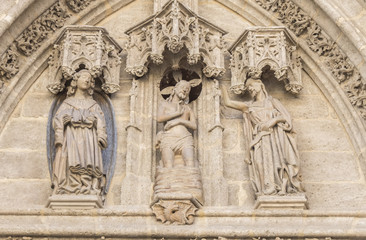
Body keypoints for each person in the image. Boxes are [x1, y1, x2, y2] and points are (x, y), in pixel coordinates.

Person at [221, 78, 304, 196]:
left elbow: (286, 119)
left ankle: (282, 186)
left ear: (260, 84)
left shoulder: (273, 102)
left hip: (276, 138)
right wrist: (221, 87)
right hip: (260, 139)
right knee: (259, 162)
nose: (250, 89)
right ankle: (267, 188)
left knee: (279, 162)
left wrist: (273, 121)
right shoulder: (249, 106)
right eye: (248, 88)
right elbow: (228, 102)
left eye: (251, 85)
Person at [52, 69, 107, 195]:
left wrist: (95, 121)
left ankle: (87, 186)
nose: (86, 80)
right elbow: (57, 120)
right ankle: (69, 186)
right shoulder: (67, 103)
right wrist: (66, 119)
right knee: (70, 159)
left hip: (89, 139)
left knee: (87, 160)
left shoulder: (93, 104)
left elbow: (101, 121)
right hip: (71, 138)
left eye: (89, 78)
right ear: (75, 81)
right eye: (83, 77)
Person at [156, 80, 197, 168]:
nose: (185, 90)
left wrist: (179, 121)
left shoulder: (187, 108)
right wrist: (177, 114)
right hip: (168, 138)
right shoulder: (165, 104)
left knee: (190, 164)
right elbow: (159, 118)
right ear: (175, 89)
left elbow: (194, 125)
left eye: (187, 89)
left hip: (185, 138)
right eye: (182, 87)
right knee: (168, 165)